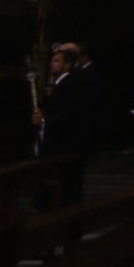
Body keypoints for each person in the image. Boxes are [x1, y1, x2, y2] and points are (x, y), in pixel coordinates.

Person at [34, 42, 97, 205]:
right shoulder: (63, 83)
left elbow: (68, 113)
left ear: (68, 64)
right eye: (52, 60)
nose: (52, 64)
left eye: (57, 61)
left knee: (65, 185)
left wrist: (44, 119)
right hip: (61, 141)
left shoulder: (70, 83)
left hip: (63, 143)